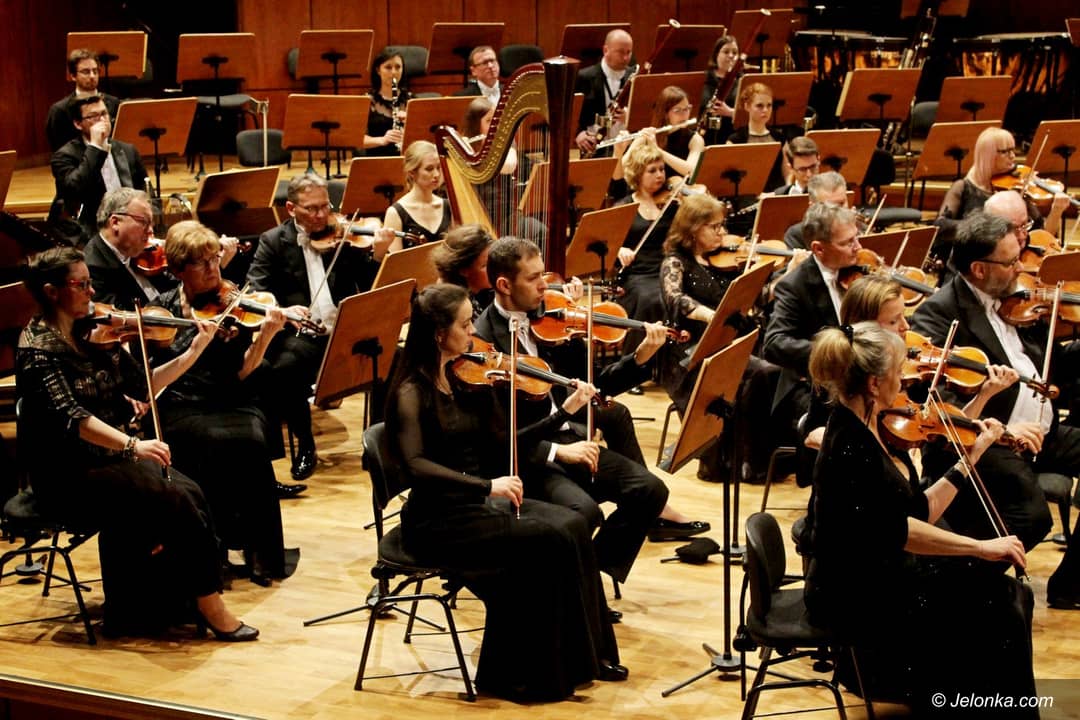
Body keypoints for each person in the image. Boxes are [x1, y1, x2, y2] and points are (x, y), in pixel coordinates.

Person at [387, 283, 627, 700]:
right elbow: (415, 466)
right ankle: (527, 676)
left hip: (476, 504)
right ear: (440, 335)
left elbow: (506, 442)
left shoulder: (462, 378)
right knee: (550, 537)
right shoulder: (411, 391)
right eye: (465, 325)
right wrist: (488, 485)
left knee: (573, 524)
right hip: (439, 520)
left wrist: (564, 412)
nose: (473, 332)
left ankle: (587, 656)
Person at [16, 246, 257, 641]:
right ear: (52, 291)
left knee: (190, 491)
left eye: (90, 283)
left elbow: (144, 385)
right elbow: (73, 418)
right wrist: (132, 445)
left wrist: (194, 351)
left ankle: (173, 601)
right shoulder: (37, 350)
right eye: (81, 285)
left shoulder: (94, 332)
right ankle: (210, 605)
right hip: (68, 472)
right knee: (173, 498)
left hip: (109, 458)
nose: (92, 293)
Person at [805, 321, 1036, 716]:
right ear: (874, 384)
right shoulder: (850, 446)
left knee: (1009, 596)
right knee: (999, 605)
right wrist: (981, 547)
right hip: (856, 595)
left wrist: (971, 457)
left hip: (881, 571)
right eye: (898, 373)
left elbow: (918, 510)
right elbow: (900, 531)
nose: (904, 382)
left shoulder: (871, 426)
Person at [474, 236, 681, 581]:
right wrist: (558, 452)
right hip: (529, 457)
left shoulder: (551, 323)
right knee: (583, 512)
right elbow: (496, 437)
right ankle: (576, 588)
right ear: (504, 285)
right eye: (533, 278)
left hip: (571, 439)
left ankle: (588, 579)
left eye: (543, 275)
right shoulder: (485, 343)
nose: (545, 286)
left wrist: (640, 356)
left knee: (651, 491)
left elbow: (596, 386)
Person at [911, 211, 1080, 607]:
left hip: (1041, 431)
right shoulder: (939, 314)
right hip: (986, 439)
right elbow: (939, 401)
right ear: (979, 269)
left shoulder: (1017, 301)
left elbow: (1050, 365)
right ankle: (946, 593)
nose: (1021, 268)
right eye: (1011, 261)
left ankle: (1072, 584)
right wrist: (1005, 432)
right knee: (1033, 517)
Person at [150, 221, 301, 584]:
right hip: (182, 402)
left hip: (231, 397)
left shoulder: (231, 302)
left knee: (252, 438)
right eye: (201, 263)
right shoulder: (162, 313)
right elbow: (152, 381)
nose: (213, 269)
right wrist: (194, 348)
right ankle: (208, 550)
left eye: (215, 259)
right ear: (178, 270)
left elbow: (242, 372)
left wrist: (265, 336)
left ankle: (258, 550)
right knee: (206, 441)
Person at [247, 174, 393, 481]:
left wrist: (379, 254)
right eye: (311, 208)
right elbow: (256, 289)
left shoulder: (343, 236)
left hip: (346, 331)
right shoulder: (273, 241)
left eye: (325, 206)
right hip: (304, 334)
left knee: (392, 359)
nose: (321, 215)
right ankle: (306, 444)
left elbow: (370, 283)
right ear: (291, 208)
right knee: (282, 369)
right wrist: (283, 311)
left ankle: (379, 443)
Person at [659, 193, 787, 481]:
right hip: (690, 352)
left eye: (722, 225)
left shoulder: (721, 262)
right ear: (693, 229)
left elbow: (757, 299)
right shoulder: (675, 262)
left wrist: (786, 276)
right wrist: (711, 315)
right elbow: (675, 298)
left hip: (726, 344)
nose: (722, 232)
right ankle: (739, 458)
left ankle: (748, 457)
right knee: (763, 372)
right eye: (714, 226)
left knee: (770, 372)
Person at [764, 203, 862, 443]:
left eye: (856, 238)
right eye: (847, 242)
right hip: (813, 388)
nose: (858, 247)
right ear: (818, 248)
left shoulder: (856, 272)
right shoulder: (794, 286)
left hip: (856, 377)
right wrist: (836, 352)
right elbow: (774, 343)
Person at [935, 127, 1067, 255]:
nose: (1013, 156)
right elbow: (941, 227)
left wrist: (1056, 211)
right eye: (1005, 152)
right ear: (988, 156)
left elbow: (1042, 235)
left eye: (1013, 150)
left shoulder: (1016, 188)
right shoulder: (963, 187)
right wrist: (984, 226)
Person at [51, 95, 148, 242]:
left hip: (128, 227)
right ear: (78, 124)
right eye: (94, 116)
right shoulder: (64, 156)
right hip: (89, 232)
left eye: (104, 114)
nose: (103, 120)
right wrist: (95, 147)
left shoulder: (128, 150)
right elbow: (74, 190)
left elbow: (144, 192)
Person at [613, 138, 676, 335]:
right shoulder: (623, 207)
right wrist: (619, 250)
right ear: (638, 174)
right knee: (652, 299)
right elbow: (607, 245)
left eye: (662, 169)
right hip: (638, 274)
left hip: (668, 270)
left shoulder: (672, 203)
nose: (660, 175)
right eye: (652, 171)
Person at [46, 49, 121, 152]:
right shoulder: (59, 110)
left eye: (95, 71)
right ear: (73, 76)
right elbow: (59, 151)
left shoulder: (114, 103)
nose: (92, 76)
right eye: (86, 72)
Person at [575, 29, 635, 156]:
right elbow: (572, 114)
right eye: (620, 52)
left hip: (628, 149)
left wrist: (629, 117)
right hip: (594, 147)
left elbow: (645, 112)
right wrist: (578, 133)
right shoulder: (584, 77)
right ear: (606, 50)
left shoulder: (635, 77)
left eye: (628, 52)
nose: (626, 58)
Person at [383, 141, 452, 245]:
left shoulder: (448, 206)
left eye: (439, 167)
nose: (437, 174)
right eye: (429, 169)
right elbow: (395, 255)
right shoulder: (395, 213)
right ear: (412, 172)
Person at [726, 82, 788, 194]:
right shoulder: (735, 140)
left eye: (769, 105)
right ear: (747, 106)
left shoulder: (779, 137)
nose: (765, 110)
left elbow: (788, 172)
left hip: (776, 193)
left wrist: (785, 192)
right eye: (760, 106)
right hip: (747, 194)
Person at [432, 223, 494, 318]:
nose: (495, 268)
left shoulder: (484, 292)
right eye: (485, 265)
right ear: (464, 270)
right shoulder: (454, 307)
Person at [783, 171, 848, 251]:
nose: (839, 210)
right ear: (813, 207)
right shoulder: (797, 235)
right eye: (830, 206)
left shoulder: (857, 228)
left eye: (842, 203)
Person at [363, 48, 408, 157]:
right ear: (378, 70)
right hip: (378, 159)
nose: (394, 72)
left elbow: (425, 138)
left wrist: (410, 123)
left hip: (407, 160)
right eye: (388, 67)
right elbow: (357, 139)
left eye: (398, 67)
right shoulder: (367, 101)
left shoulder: (412, 101)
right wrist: (382, 140)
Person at [699, 35, 740, 144]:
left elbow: (750, 113)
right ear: (716, 54)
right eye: (726, 52)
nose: (731, 56)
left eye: (735, 53)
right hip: (703, 137)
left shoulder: (743, 81)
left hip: (733, 138)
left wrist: (729, 112)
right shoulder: (702, 79)